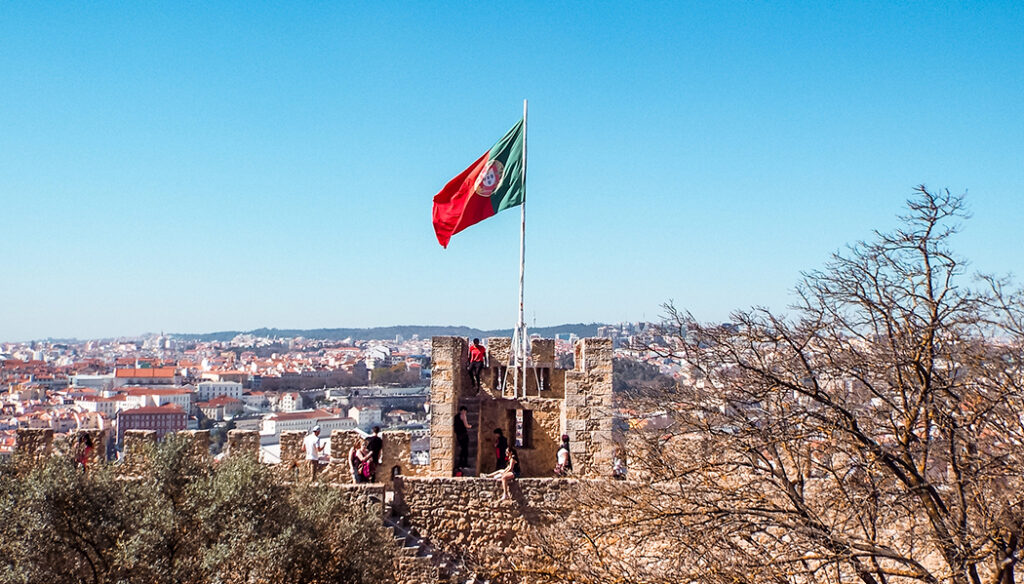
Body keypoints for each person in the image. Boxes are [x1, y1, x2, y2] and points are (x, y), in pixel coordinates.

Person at [454, 405, 472, 469]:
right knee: (465, 450)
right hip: (464, 435)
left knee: (462, 449)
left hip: (459, 435)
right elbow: (466, 425)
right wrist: (470, 426)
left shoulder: (456, 416)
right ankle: (464, 463)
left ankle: (460, 463)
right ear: (463, 411)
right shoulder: (463, 416)